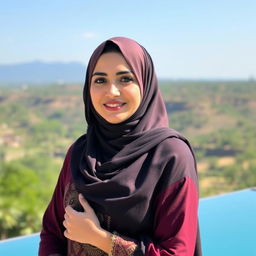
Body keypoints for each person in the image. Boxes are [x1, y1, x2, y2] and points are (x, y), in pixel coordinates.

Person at [39, 37, 202, 256]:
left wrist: (100, 239)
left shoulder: (170, 156)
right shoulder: (79, 152)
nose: (112, 92)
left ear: (144, 84)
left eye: (125, 79)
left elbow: (177, 252)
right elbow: (52, 232)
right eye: (100, 80)